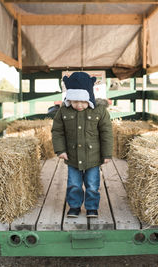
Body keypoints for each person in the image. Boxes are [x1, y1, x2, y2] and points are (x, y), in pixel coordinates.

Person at [51, 72, 113, 218]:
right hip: (72, 156)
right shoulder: (63, 111)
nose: (79, 105)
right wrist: (60, 150)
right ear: (69, 98)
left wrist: (106, 154)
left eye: (83, 101)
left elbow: (106, 133)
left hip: (93, 157)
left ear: (89, 97)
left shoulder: (99, 111)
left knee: (92, 185)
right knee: (74, 184)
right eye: (74, 101)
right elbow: (57, 131)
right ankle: (74, 206)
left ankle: (92, 207)